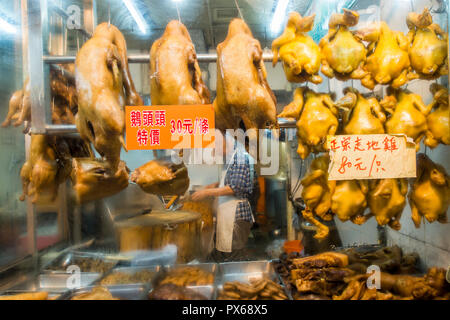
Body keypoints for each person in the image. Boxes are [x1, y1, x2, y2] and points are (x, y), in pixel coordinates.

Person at [191, 132, 259, 261]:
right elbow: (230, 180)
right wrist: (214, 185)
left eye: (215, 148)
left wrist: (206, 193)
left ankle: (235, 279)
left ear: (224, 143)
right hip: (228, 216)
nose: (214, 152)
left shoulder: (239, 157)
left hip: (235, 218)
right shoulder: (229, 158)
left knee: (235, 257)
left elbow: (236, 187)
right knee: (227, 256)